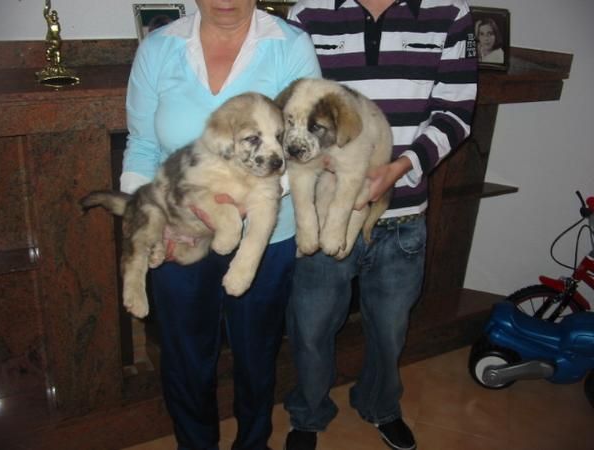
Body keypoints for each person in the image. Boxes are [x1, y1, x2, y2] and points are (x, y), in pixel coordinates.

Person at [120, 0, 321, 449]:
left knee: (255, 355)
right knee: (186, 358)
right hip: (179, 229)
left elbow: (304, 143)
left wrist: (245, 204)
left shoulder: (289, 45)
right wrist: (147, 219)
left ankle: (252, 443)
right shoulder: (159, 48)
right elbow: (142, 145)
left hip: (264, 234)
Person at [282, 1, 477, 449]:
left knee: (390, 330)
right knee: (310, 328)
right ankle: (308, 415)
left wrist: (399, 168)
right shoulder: (307, 12)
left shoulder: (450, 11)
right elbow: (295, 105)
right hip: (328, 205)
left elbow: (456, 111)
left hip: (402, 213)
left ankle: (379, 406)